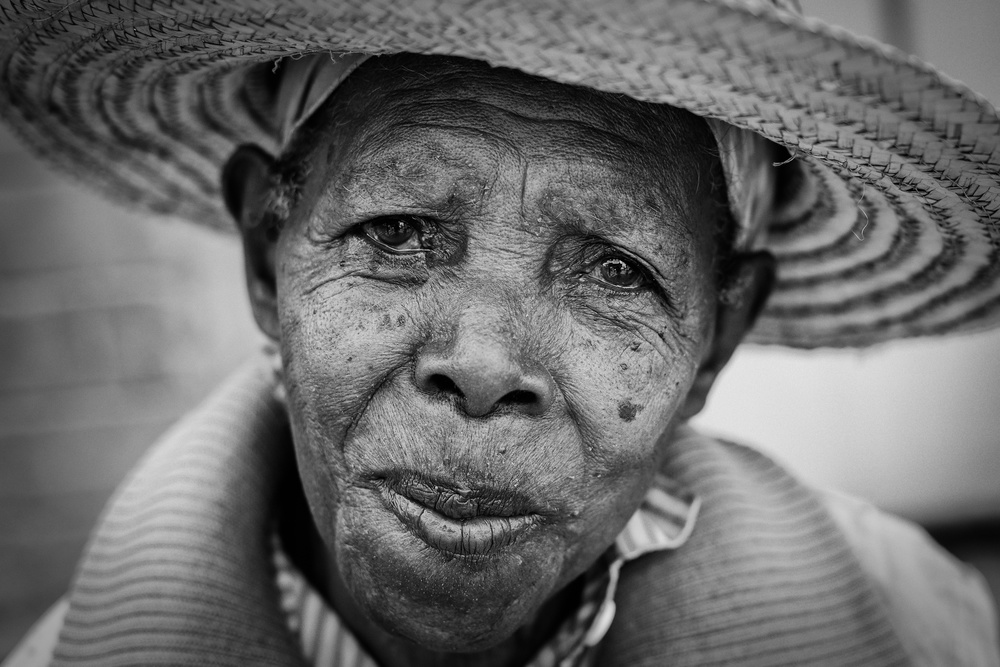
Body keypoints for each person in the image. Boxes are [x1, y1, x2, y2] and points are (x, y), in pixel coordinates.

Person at [1, 1, 998, 666]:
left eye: (616, 270)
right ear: (268, 256)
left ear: (719, 335)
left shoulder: (925, 628)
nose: (480, 366)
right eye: (396, 230)